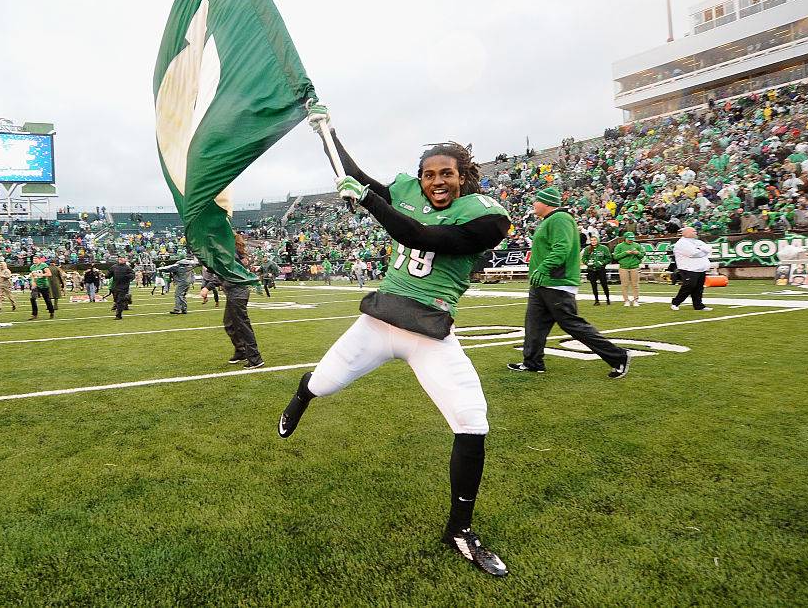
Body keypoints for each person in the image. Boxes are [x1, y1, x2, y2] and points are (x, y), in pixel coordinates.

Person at [278, 135, 510, 577]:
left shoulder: (487, 217)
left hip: (429, 330)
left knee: (472, 419)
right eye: (429, 174)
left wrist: (366, 200)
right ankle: (301, 395)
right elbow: (355, 175)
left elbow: (418, 234)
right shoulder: (406, 191)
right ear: (419, 178)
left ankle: (459, 529)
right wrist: (326, 129)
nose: (436, 181)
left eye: (446, 173)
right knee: (325, 383)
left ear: (462, 177)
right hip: (380, 321)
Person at [507, 188, 630, 380]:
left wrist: (543, 268)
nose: (533, 204)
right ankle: (532, 362)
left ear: (546, 203)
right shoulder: (550, 220)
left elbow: (562, 248)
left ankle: (618, 356)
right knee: (534, 325)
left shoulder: (559, 219)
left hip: (556, 281)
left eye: (536, 201)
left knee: (572, 324)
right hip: (543, 283)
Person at [224, 234, 264, 368]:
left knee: (242, 326)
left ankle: (255, 358)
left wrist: (208, 286)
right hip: (234, 291)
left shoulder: (232, 255)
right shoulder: (235, 254)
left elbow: (226, 272)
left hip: (237, 291)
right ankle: (241, 351)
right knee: (229, 323)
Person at [670, 227, 714, 311]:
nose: (695, 232)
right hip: (688, 268)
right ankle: (675, 302)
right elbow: (694, 253)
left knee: (699, 288)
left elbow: (709, 249)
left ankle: (698, 305)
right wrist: (702, 250)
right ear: (685, 233)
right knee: (689, 286)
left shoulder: (697, 241)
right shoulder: (681, 243)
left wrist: (701, 250)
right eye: (693, 231)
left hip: (700, 268)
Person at [612, 232, 643, 307]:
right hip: (623, 267)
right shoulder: (619, 246)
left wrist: (637, 253)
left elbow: (642, 255)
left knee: (635, 285)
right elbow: (615, 257)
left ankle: (636, 300)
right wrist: (625, 253)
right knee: (624, 285)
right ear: (625, 238)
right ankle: (626, 300)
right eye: (629, 239)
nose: (630, 240)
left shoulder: (637, 245)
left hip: (634, 267)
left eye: (632, 239)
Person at [581, 236, 612, 306]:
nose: (593, 242)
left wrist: (602, 263)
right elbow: (584, 258)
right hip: (591, 269)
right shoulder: (587, 248)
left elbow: (608, 258)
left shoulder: (604, 248)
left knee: (604, 284)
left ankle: (607, 298)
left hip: (601, 269)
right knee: (593, 285)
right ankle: (596, 300)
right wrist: (587, 262)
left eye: (594, 240)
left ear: (598, 240)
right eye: (591, 240)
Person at [28, 255, 55, 320]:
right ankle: (34, 314)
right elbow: (32, 276)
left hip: (43, 284)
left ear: (39, 259)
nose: (34, 260)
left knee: (47, 300)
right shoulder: (32, 267)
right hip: (36, 285)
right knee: (32, 298)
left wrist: (41, 275)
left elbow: (49, 273)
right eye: (33, 258)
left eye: (36, 258)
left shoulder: (43, 265)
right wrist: (32, 282)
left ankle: (51, 312)